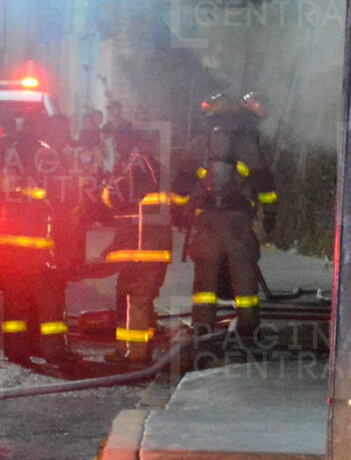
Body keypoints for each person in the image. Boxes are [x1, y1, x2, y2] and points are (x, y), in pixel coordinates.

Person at [174, 93, 278, 339]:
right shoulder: (247, 144)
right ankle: (248, 329)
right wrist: (270, 215)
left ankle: (202, 330)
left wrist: (178, 213)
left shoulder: (198, 144)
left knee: (204, 282)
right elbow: (264, 182)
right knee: (244, 277)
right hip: (238, 222)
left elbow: (180, 184)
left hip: (206, 221)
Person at [0, 112, 69, 366]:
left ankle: (15, 350)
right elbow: (63, 199)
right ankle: (53, 351)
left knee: (14, 299)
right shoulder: (46, 155)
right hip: (37, 243)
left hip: (7, 244)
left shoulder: (0, 155)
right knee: (48, 299)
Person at [100, 139, 173, 363]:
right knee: (139, 300)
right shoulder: (162, 178)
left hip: (138, 254)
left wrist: (107, 184)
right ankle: (136, 349)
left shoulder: (137, 176)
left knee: (133, 302)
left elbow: (110, 197)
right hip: (152, 253)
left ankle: (134, 353)